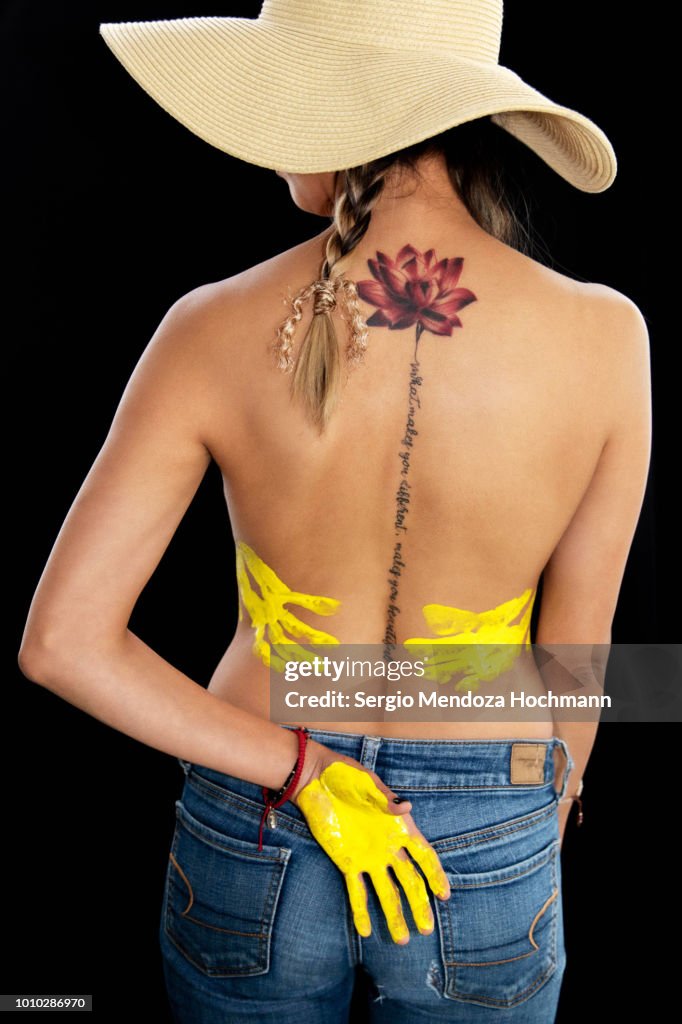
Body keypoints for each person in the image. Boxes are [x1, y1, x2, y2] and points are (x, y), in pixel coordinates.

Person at [18, 2, 651, 1022]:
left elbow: (60, 643)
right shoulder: (605, 335)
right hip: (488, 815)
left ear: (337, 118)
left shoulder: (208, 327)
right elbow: (581, 648)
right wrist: (540, 802)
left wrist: (305, 768)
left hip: (259, 799)